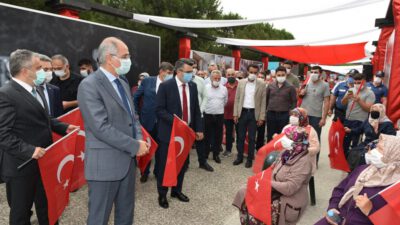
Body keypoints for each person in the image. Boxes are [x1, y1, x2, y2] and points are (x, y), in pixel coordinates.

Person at [77, 37, 149, 225]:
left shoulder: (123, 82)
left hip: (127, 163)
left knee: (126, 216)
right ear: (110, 58)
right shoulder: (89, 85)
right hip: (105, 167)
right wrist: (134, 146)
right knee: (99, 218)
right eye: (125, 56)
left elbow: (134, 118)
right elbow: (100, 127)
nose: (129, 60)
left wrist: (140, 140)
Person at [0, 49, 75, 225]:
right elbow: (2, 133)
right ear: (26, 71)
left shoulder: (37, 89)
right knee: (20, 213)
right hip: (22, 166)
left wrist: (64, 127)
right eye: (39, 67)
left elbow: (44, 118)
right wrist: (29, 150)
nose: (43, 71)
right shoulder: (6, 94)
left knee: (47, 206)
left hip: (44, 162)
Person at [233, 126, 312, 225]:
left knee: (261, 205)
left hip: (289, 197)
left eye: (288, 138)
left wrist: (268, 184)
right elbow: (272, 169)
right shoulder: (287, 152)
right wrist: (259, 180)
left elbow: (290, 188)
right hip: (274, 187)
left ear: (297, 142)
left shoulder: (304, 162)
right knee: (244, 192)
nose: (284, 139)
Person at [314, 134, 400, 225]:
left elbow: (394, 220)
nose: (373, 151)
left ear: (392, 155)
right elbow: (340, 189)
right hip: (337, 219)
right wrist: (332, 208)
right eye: (376, 147)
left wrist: (370, 211)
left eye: (380, 149)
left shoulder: (395, 187)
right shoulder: (364, 169)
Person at [156, 58, 204, 209]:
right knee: (165, 165)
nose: (192, 75)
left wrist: (199, 128)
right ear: (178, 71)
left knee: (182, 164)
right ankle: (162, 194)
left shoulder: (193, 86)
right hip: (169, 133)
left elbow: (196, 110)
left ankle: (176, 191)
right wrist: (177, 123)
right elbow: (159, 110)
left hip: (186, 134)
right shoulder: (166, 86)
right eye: (189, 72)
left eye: (193, 72)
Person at [133, 62, 174, 182]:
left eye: (172, 73)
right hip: (148, 120)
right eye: (169, 73)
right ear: (161, 71)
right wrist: (136, 114)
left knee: (161, 149)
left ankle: (158, 171)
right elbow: (136, 97)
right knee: (147, 148)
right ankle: (144, 172)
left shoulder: (171, 84)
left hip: (163, 122)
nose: (170, 75)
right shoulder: (148, 81)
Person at [233, 64, 266, 168]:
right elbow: (237, 98)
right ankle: (239, 157)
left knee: (252, 138)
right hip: (242, 112)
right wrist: (235, 113)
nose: (253, 74)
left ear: (258, 73)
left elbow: (263, 101)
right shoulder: (241, 83)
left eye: (255, 73)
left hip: (253, 113)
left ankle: (250, 159)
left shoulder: (262, 84)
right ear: (247, 72)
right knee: (240, 136)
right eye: (251, 72)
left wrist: (261, 117)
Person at [341, 73, 375, 157]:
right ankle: (345, 159)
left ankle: (353, 161)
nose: (357, 84)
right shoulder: (351, 90)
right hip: (348, 119)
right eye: (355, 82)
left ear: (365, 81)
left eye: (359, 82)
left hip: (360, 121)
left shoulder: (370, 93)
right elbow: (343, 103)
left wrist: (359, 100)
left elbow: (368, 109)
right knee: (345, 142)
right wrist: (346, 98)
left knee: (356, 143)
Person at [265, 66, 297, 142]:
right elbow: (266, 99)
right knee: (270, 135)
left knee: (282, 135)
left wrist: (291, 114)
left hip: (284, 115)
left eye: (283, 75)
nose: (281, 77)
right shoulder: (270, 85)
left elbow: (294, 101)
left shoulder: (291, 87)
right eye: (279, 75)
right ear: (275, 75)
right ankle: (270, 152)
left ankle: (280, 153)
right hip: (271, 114)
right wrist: (265, 112)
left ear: (286, 75)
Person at [299, 66, 330, 143]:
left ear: (320, 74)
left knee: (314, 138)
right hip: (303, 115)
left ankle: (315, 154)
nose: (313, 74)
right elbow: (300, 96)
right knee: (302, 137)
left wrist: (324, 118)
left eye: (315, 72)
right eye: (312, 72)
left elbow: (326, 102)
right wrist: (301, 93)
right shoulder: (307, 83)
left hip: (316, 116)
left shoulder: (325, 85)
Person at [192, 66, 214, 172]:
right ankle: (184, 163)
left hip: (199, 115)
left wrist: (201, 110)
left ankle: (202, 162)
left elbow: (205, 96)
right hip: (184, 116)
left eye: (193, 68)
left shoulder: (200, 81)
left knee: (200, 138)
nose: (192, 70)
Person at [204, 70, 228, 164]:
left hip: (219, 115)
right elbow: (202, 100)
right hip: (208, 114)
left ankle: (216, 154)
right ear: (210, 78)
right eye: (215, 78)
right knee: (207, 135)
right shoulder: (205, 88)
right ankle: (205, 154)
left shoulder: (224, 89)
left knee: (218, 136)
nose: (217, 80)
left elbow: (225, 101)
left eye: (218, 79)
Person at [223, 69, 238, 157]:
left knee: (240, 133)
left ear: (235, 75)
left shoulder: (240, 86)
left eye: (232, 74)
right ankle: (228, 150)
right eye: (229, 75)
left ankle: (240, 151)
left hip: (238, 114)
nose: (231, 76)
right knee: (228, 133)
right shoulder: (223, 86)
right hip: (227, 114)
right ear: (226, 75)